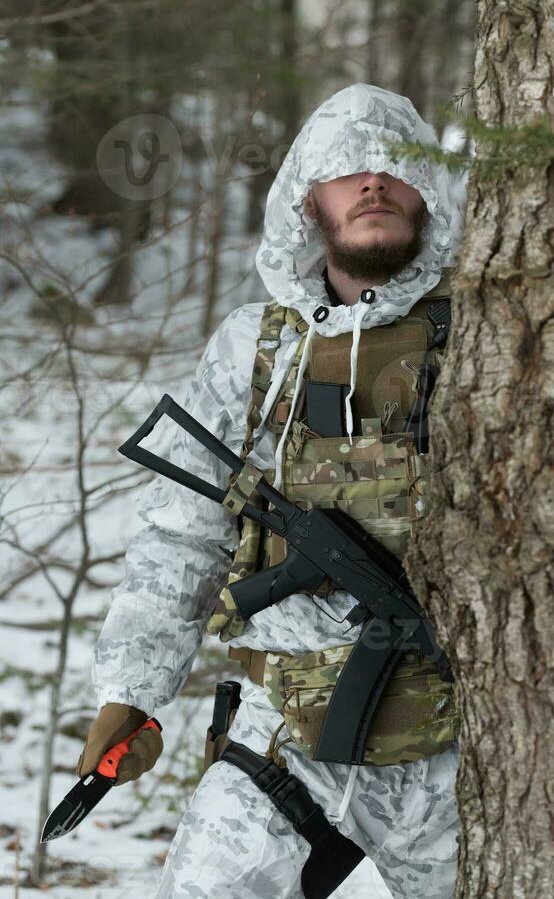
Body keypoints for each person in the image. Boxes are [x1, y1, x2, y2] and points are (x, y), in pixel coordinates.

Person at [77, 83, 460, 898]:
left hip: (453, 754)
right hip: (283, 732)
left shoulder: (489, 334)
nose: (374, 183)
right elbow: (180, 533)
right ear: (307, 198)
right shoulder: (255, 348)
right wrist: (130, 695)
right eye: (346, 169)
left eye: (398, 168)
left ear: (434, 193)